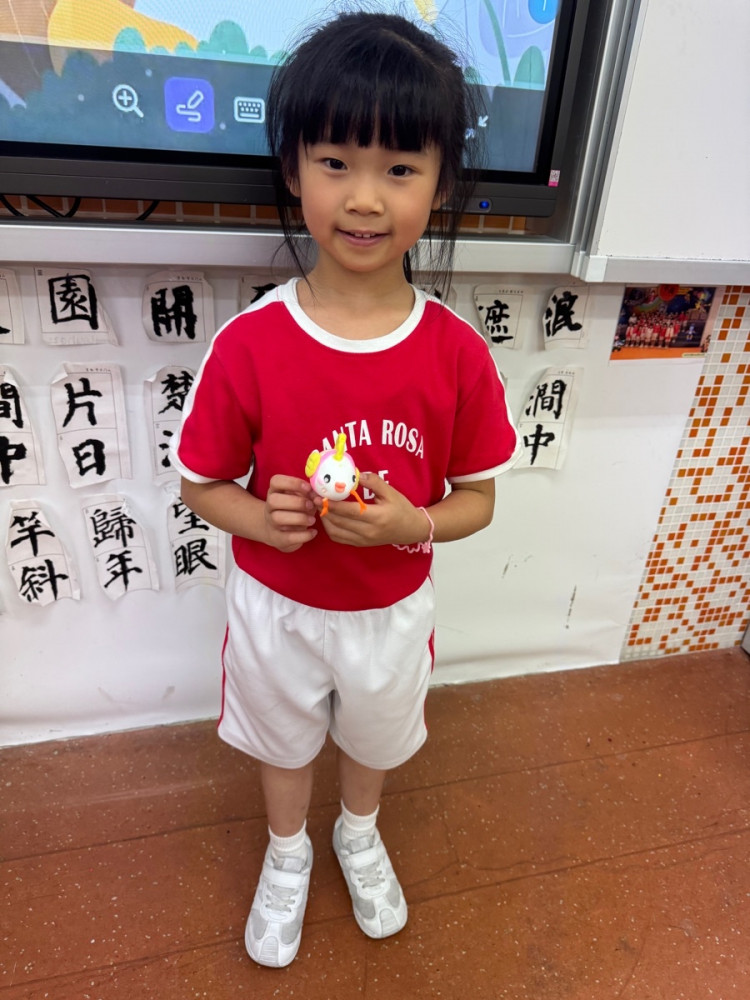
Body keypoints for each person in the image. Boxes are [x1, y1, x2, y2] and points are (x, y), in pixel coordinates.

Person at [171, 10, 520, 968]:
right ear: (293, 169)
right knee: (284, 744)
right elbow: (203, 484)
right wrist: (263, 519)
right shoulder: (250, 343)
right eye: (335, 162)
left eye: (399, 169)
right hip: (277, 610)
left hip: (390, 612)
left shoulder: (456, 352)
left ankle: (356, 833)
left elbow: (479, 499)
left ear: (441, 183)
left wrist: (417, 522)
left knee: (373, 740)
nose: (364, 198)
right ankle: (287, 850)